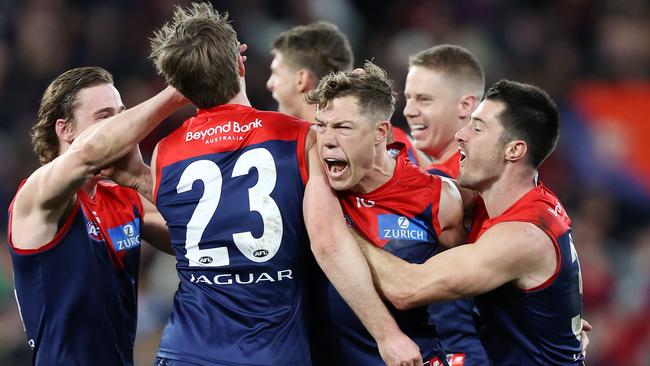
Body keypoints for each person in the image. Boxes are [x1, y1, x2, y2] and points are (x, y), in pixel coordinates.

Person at [148, 4, 421, 365]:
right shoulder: (296, 137)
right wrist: (388, 335)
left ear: (179, 85)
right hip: (270, 353)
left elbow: (184, 234)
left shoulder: (164, 154)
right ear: (241, 65)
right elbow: (328, 242)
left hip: (186, 351)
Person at [359, 79, 585, 365]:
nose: (461, 135)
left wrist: (339, 230)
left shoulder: (523, 235)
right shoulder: (515, 201)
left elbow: (407, 289)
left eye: (478, 128)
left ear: (514, 150)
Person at [7, 66, 186, 365]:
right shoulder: (37, 195)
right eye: (105, 117)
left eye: (122, 115)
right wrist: (176, 93)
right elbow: (85, 155)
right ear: (65, 129)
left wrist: (142, 178)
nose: (120, 128)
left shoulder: (122, 197)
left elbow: (197, 237)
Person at [304, 62, 465, 365]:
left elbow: (479, 283)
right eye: (321, 125)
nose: (326, 139)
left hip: (411, 357)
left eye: (343, 127)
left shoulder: (438, 198)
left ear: (380, 132)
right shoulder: (314, 185)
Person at [402, 44, 490, 366]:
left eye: (424, 99)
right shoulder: (405, 160)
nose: (409, 109)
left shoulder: (478, 180)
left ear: (466, 104)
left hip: (466, 347)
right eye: (408, 97)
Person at [267, 22, 427, 166]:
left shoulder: (287, 154)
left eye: (276, 73)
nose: (270, 84)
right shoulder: (395, 137)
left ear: (302, 79)